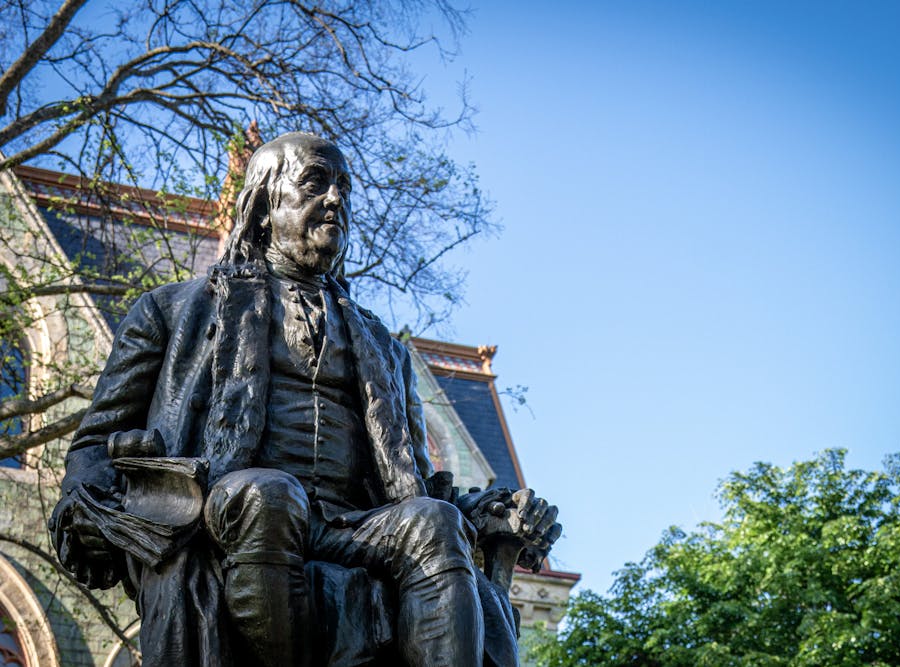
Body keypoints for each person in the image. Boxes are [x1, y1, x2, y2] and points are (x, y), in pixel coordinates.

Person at [49, 132, 560, 667]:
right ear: (266, 206)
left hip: (355, 524)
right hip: (232, 508)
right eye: (315, 183)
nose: (336, 199)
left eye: (343, 187)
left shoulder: (385, 348)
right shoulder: (172, 312)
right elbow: (93, 441)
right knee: (268, 494)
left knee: (432, 522)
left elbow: (419, 480)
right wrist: (91, 506)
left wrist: (492, 510)